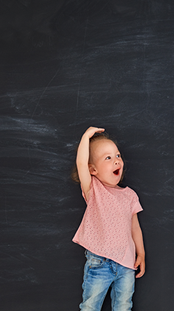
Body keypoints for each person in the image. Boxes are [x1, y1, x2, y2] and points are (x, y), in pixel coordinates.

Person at [71, 127, 146, 311]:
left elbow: (134, 227)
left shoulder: (129, 195)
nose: (116, 161)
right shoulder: (94, 190)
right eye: (108, 158)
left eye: (117, 156)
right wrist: (86, 137)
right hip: (99, 263)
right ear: (93, 169)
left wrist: (141, 253)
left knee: (123, 306)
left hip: (126, 264)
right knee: (90, 306)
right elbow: (81, 164)